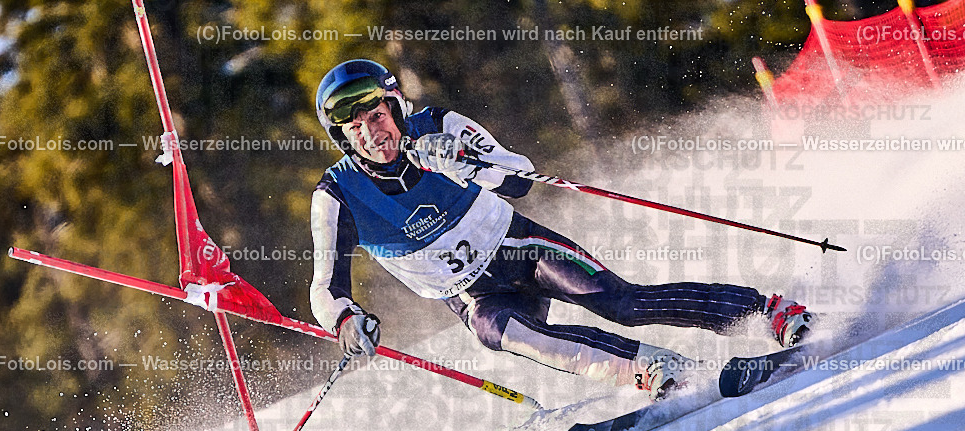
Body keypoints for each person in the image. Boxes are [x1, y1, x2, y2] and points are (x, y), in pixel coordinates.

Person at [309, 59, 812, 399]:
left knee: (622, 303)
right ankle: (655, 368)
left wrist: (465, 163)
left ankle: (768, 312)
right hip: (471, 294)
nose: (373, 133)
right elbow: (325, 287)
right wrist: (345, 319)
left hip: (518, 248)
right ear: (343, 138)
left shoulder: (439, 125)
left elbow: (519, 176)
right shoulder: (337, 196)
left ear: (396, 109)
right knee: (509, 335)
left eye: (377, 116)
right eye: (355, 128)